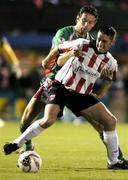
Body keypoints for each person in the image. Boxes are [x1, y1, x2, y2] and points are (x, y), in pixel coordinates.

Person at [3, 26, 128, 169]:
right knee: (48, 119)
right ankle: (15, 144)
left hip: (81, 94)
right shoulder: (82, 44)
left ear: (112, 43)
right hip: (61, 86)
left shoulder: (111, 62)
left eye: (105, 41)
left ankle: (113, 162)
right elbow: (58, 48)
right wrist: (46, 61)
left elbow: (110, 78)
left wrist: (100, 94)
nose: (100, 43)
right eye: (99, 39)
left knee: (110, 121)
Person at [19, 4, 100, 151]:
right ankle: (28, 147)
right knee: (26, 119)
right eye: (84, 20)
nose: (86, 25)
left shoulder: (92, 43)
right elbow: (57, 60)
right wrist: (72, 53)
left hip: (74, 88)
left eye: (90, 22)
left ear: (94, 24)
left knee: (100, 123)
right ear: (77, 18)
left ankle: (116, 158)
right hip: (54, 83)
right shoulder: (64, 33)